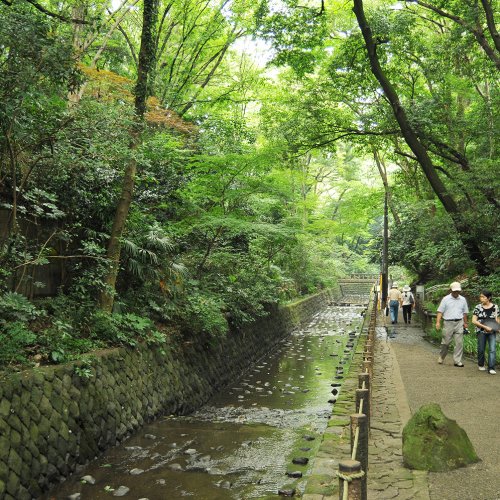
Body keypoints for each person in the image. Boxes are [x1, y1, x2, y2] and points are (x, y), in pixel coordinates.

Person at [436, 281, 469, 367]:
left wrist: (465, 323)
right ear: (450, 290)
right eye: (454, 291)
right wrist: (438, 322)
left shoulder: (463, 299)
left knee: (459, 343)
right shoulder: (445, 299)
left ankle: (457, 361)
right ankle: (441, 356)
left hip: (459, 322)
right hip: (448, 322)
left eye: (458, 291)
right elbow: (440, 311)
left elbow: (465, 312)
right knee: (446, 342)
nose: (456, 292)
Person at [471, 290, 499, 375]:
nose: (481, 298)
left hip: (492, 331)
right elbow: (474, 321)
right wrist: (484, 327)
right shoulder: (478, 307)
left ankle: (491, 367)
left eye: (483, 297)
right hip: (481, 331)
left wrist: (497, 328)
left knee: (492, 349)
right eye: (480, 297)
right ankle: (481, 364)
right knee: (481, 349)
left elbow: (497, 320)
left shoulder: (495, 307)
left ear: (489, 298)